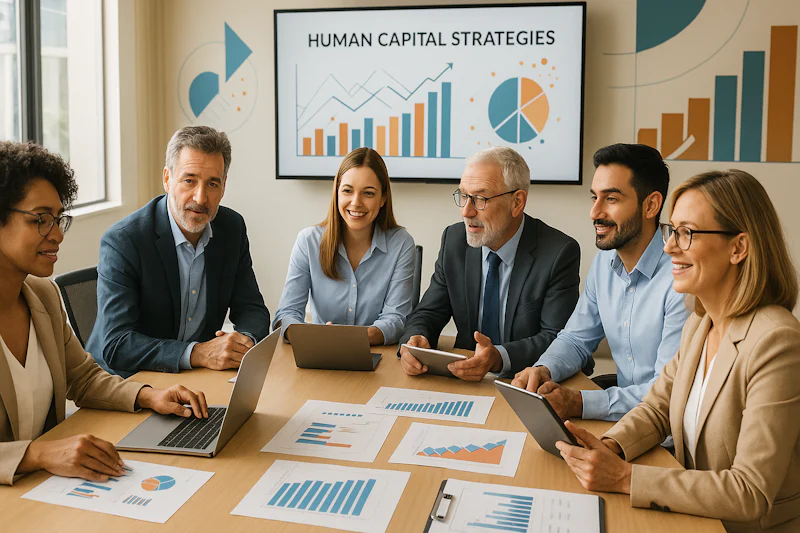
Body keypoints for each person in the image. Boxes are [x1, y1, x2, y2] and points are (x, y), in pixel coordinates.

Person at [555, 170, 800, 532]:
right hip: (694, 515)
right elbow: (657, 410)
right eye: (673, 231)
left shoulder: (776, 342)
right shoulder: (701, 323)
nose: (669, 246)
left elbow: (749, 491)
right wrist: (609, 447)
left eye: (687, 233)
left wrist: (625, 478)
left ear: (738, 248)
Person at [0, 141, 209, 486]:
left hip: (44, 489)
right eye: (41, 220)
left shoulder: (42, 297)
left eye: (58, 219)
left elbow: (82, 377)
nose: (57, 235)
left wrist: (149, 395)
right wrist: (37, 454)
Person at [512, 144, 690, 421]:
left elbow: (666, 393)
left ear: (651, 205)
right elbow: (576, 338)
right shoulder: (603, 264)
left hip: (665, 434)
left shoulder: (680, 278)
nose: (594, 212)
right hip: (622, 422)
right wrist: (543, 369)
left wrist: (579, 402)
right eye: (594, 197)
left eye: (611, 199)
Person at [85, 126, 270, 377]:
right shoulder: (125, 240)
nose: (201, 197)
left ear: (224, 185)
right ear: (167, 178)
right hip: (128, 380)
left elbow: (251, 308)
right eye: (189, 180)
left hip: (195, 377)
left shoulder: (231, 228)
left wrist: (243, 343)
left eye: (212, 183)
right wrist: (198, 353)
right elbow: (117, 344)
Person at [398, 146, 581, 381]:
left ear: (517, 202)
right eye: (463, 196)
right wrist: (415, 341)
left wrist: (498, 357)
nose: (466, 211)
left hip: (528, 381)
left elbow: (558, 338)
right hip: (466, 380)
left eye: (480, 199)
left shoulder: (558, 252)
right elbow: (429, 312)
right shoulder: (454, 241)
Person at [272, 148, 415, 345]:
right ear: (337, 193)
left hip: (377, 357)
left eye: (368, 193)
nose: (356, 202)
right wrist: (309, 335)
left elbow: (396, 319)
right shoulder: (308, 241)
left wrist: (351, 339)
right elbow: (286, 314)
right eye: (347, 191)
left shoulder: (401, 244)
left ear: (383, 198)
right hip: (319, 350)